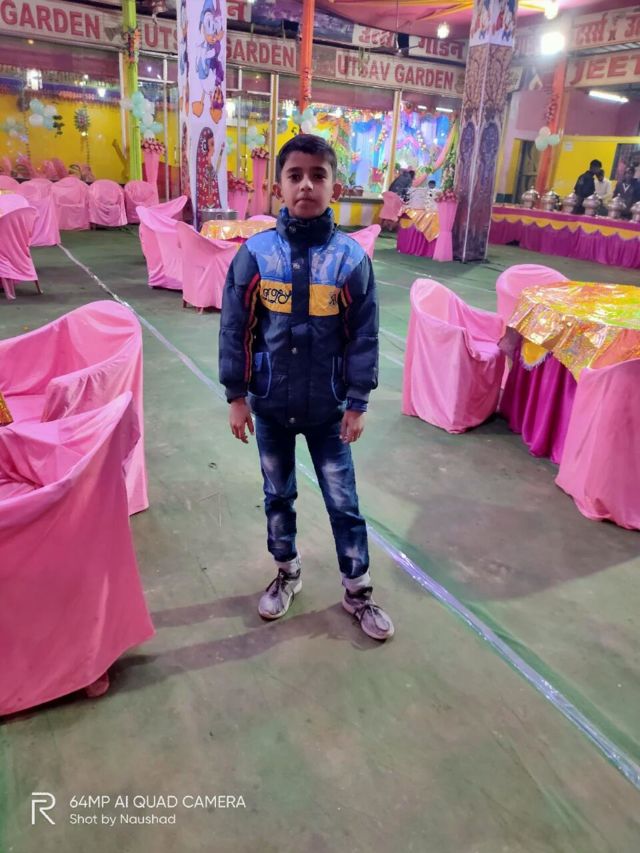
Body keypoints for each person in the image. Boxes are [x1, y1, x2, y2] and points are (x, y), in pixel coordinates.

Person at [218, 134, 394, 641]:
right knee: (278, 495)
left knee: (343, 502)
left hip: (329, 411)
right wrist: (236, 396)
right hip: (271, 407)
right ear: (279, 186)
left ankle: (357, 589)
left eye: (319, 175)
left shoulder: (349, 261)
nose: (306, 186)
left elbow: (363, 335)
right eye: (295, 176)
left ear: (335, 187)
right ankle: (287, 572)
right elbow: (235, 328)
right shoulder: (255, 255)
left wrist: (357, 401)